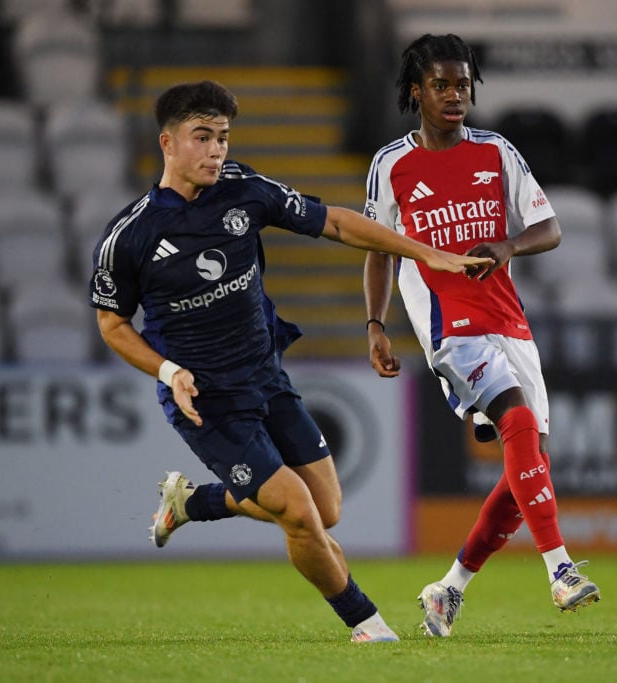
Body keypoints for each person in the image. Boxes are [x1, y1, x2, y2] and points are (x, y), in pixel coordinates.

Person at [88, 80, 493, 644]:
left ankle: (192, 502)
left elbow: (335, 222)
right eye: (202, 137)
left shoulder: (244, 189)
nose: (215, 151)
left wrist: (427, 253)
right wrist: (167, 370)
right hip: (207, 401)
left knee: (324, 511)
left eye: (223, 137)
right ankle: (367, 626)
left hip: (265, 376)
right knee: (298, 513)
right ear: (167, 143)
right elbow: (112, 324)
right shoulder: (130, 236)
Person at [362, 34, 601, 638]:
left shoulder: (496, 151)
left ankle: (448, 589)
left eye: (463, 84)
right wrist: (376, 324)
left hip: (509, 322)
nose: (454, 95)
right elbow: (376, 250)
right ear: (416, 91)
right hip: (450, 326)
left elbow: (548, 227)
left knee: (528, 467)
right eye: (441, 84)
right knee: (517, 425)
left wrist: (508, 245)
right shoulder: (392, 164)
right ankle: (561, 569)